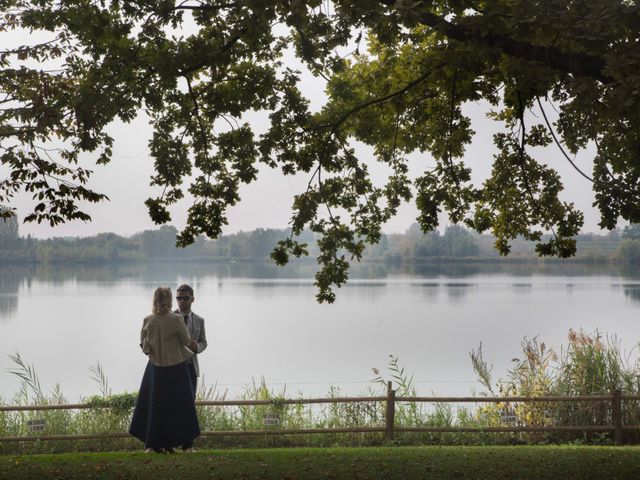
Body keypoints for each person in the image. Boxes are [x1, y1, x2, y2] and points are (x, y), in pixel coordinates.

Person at [129, 287, 200, 453]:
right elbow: (186, 340)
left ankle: (153, 444)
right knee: (182, 406)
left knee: (154, 406)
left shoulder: (148, 320)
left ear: (154, 299)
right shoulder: (176, 319)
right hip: (176, 367)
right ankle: (186, 445)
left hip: (155, 368)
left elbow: (144, 346)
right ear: (169, 299)